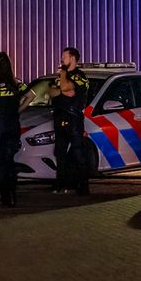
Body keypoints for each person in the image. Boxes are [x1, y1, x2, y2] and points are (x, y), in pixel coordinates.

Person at [0, 52, 33, 207]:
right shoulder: (16, 84)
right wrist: (18, 110)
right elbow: (31, 96)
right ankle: (11, 196)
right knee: (9, 162)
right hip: (13, 126)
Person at [48, 46, 91, 195]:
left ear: (72, 58)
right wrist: (63, 90)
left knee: (78, 153)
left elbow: (66, 87)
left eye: (64, 57)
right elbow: (51, 91)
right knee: (60, 152)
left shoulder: (80, 76)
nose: (61, 59)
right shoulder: (61, 76)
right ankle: (61, 184)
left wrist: (63, 77)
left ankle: (82, 186)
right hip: (59, 117)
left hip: (73, 119)